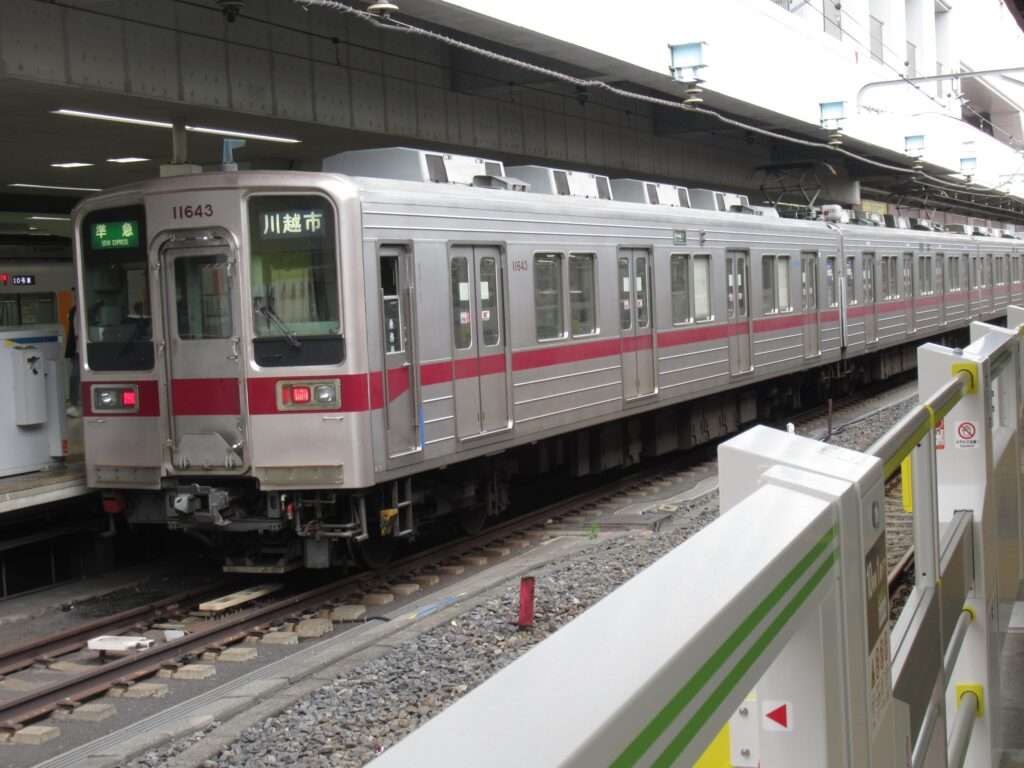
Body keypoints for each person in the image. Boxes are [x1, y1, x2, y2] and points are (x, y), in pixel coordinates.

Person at [65, 293, 81, 418]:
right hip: (76, 351)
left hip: (85, 350)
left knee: (76, 376)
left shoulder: (87, 310)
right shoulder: (74, 311)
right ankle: (74, 404)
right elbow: (72, 333)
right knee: (74, 376)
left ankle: (76, 404)